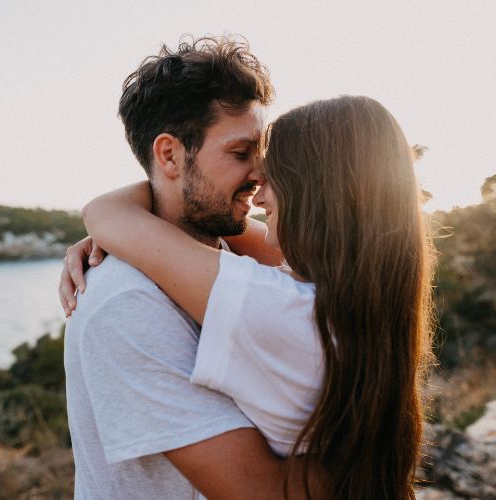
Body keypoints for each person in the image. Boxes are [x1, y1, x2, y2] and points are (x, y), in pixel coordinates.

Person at [62, 95, 435, 498]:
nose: (258, 189)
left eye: (274, 173)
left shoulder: (282, 307)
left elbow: (104, 213)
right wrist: (139, 226)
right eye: (242, 153)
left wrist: (131, 222)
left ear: (316, 194)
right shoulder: (360, 298)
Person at [62, 36, 321, 500]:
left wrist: (116, 215)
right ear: (169, 156)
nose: (261, 175)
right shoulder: (127, 302)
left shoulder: (241, 264)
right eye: (241, 154)